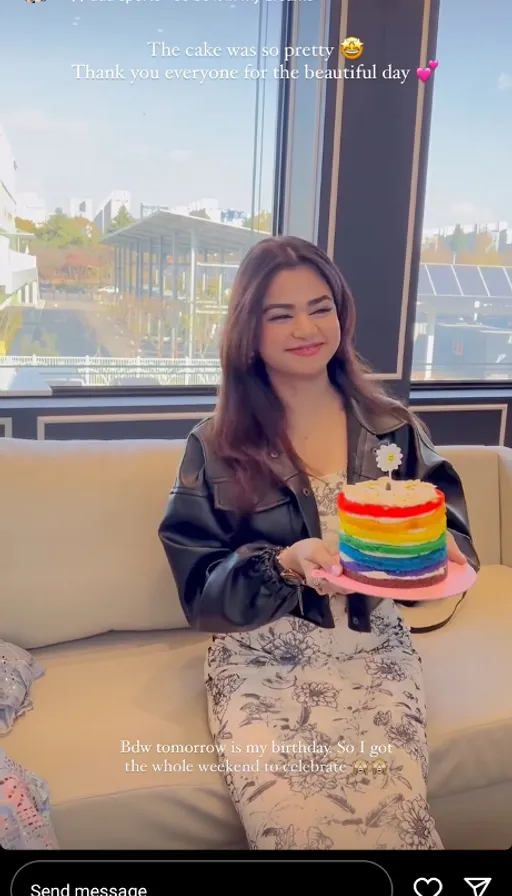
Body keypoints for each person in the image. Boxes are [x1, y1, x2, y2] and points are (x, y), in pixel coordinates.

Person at [158, 236, 479, 850]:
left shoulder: (392, 426)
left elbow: (446, 528)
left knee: (397, 828)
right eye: (280, 315)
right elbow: (200, 593)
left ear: (342, 314)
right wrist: (282, 565)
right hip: (260, 663)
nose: (306, 327)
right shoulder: (214, 443)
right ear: (248, 331)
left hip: (375, 654)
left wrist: (442, 555)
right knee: (297, 830)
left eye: (320, 307)